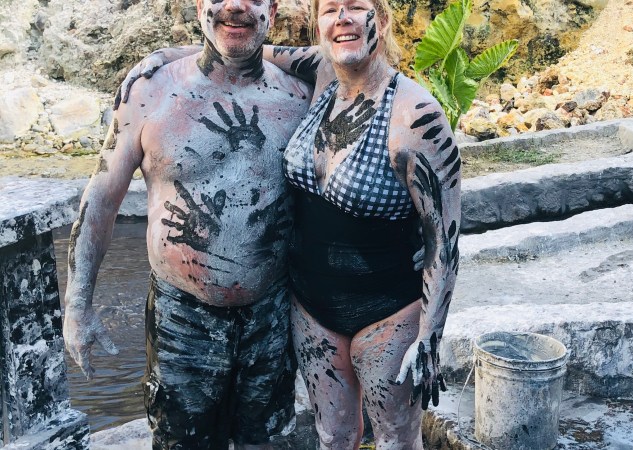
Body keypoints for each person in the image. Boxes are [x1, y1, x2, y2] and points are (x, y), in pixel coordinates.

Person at [125, 0, 461, 447]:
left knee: (397, 439)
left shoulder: (416, 115)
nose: (342, 18)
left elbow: (444, 240)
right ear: (317, 24)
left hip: (387, 309)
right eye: (330, 9)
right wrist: (165, 57)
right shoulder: (320, 74)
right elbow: (244, 43)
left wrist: (430, 336)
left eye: (356, 7)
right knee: (332, 436)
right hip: (311, 309)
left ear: (381, 20)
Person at [62, 1, 311, 449]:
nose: (235, 5)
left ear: (271, 11)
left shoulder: (302, 95)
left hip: (272, 315)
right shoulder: (149, 92)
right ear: (200, 7)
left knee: (267, 442)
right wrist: (78, 306)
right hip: (181, 319)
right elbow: (100, 200)